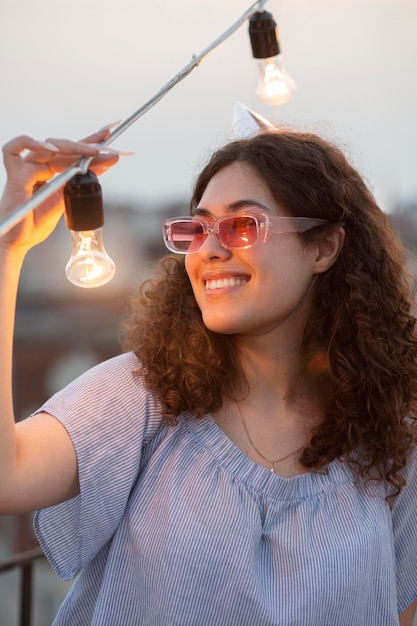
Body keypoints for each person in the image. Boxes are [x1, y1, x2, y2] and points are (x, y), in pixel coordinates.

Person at [0, 125, 416, 626]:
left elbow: (398, 609)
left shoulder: (390, 429)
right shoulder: (143, 395)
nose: (209, 250)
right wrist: (8, 247)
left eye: (242, 226)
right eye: (196, 230)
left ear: (325, 248)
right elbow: (8, 478)